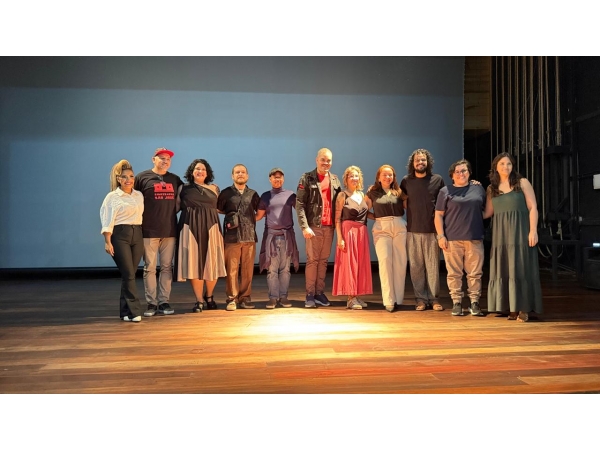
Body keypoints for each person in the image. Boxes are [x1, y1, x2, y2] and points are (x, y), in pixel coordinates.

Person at [484, 152, 543, 322]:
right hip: (501, 236)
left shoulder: (522, 182)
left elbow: (533, 207)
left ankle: (523, 308)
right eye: (502, 164)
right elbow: (487, 213)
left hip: (520, 232)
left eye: (509, 163)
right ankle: (511, 307)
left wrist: (533, 231)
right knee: (505, 267)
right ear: (496, 167)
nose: (506, 167)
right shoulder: (492, 188)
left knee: (521, 267)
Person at [134, 148, 183, 317]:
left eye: (168, 159)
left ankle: (164, 301)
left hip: (169, 230)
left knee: (167, 267)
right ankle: (151, 303)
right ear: (153, 159)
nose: (165, 161)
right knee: (149, 268)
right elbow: (132, 198)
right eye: (162, 158)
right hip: (149, 231)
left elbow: (184, 197)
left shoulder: (175, 179)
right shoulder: (142, 178)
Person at [434, 159, 486, 317]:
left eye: (464, 170)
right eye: (457, 172)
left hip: (474, 237)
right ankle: (456, 302)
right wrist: (441, 236)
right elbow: (438, 215)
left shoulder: (478, 189)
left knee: (475, 273)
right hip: (452, 239)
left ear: (469, 173)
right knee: (454, 273)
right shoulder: (445, 191)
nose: (460, 174)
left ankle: (474, 302)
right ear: (452, 175)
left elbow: (486, 210)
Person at [175, 159, 227, 313]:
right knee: (194, 263)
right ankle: (199, 300)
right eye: (197, 169)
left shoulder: (214, 188)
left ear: (207, 173)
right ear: (192, 172)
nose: (200, 171)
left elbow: (222, 208)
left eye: (203, 169)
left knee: (213, 262)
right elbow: (175, 208)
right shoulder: (183, 188)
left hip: (212, 226)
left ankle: (209, 296)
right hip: (189, 226)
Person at [400, 149, 445, 311]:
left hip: (432, 230)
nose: (420, 162)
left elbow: (444, 203)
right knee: (416, 267)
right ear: (413, 163)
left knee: (433, 267)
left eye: (423, 160)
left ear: (428, 162)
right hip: (413, 230)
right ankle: (420, 299)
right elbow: (401, 200)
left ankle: (434, 299)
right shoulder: (406, 181)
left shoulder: (437, 180)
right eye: (417, 160)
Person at [296, 148, 342, 308]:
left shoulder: (335, 180)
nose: (326, 163)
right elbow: (299, 204)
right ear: (317, 160)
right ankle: (309, 294)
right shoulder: (307, 178)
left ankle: (319, 293)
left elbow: (340, 204)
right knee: (312, 261)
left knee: (323, 261)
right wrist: (304, 226)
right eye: (323, 159)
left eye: (329, 160)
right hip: (313, 227)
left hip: (329, 227)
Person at [100, 160, 145, 322]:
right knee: (128, 274)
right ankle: (135, 311)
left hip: (137, 234)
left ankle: (125, 312)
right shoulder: (112, 197)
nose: (128, 180)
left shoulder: (139, 195)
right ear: (118, 179)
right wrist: (107, 241)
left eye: (131, 176)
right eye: (124, 177)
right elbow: (107, 219)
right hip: (120, 235)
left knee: (129, 274)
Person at [217, 164, 261, 311]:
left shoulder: (253, 194)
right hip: (232, 237)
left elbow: (260, 211)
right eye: (237, 172)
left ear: (247, 176)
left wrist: (250, 220)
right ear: (232, 176)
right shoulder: (226, 193)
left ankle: (245, 298)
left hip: (249, 236)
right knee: (232, 270)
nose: (240, 174)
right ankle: (232, 299)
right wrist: (232, 218)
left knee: (248, 270)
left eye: (243, 172)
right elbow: (218, 208)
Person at [365, 164, 407, 312]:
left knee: (400, 263)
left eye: (390, 175)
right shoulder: (372, 192)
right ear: (378, 177)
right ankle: (388, 300)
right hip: (382, 228)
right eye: (384, 174)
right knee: (385, 262)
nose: (387, 177)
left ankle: (398, 299)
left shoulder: (399, 192)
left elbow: (411, 206)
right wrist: (376, 217)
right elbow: (363, 209)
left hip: (399, 225)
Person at [256, 168, 300, 309]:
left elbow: (301, 210)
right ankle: (273, 298)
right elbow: (258, 216)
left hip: (287, 237)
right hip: (271, 238)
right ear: (270, 179)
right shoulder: (265, 196)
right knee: (272, 270)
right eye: (275, 177)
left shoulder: (290, 195)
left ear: (283, 179)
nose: (277, 179)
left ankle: (283, 297)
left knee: (285, 269)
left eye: (280, 177)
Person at [332, 166, 373, 310]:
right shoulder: (342, 195)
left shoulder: (362, 195)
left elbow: (366, 213)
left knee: (360, 263)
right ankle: (350, 298)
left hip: (361, 232)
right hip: (348, 231)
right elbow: (337, 219)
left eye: (356, 176)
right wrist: (340, 238)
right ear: (346, 179)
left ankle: (357, 294)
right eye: (351, 176)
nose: (354, 178)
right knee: (350, 264)